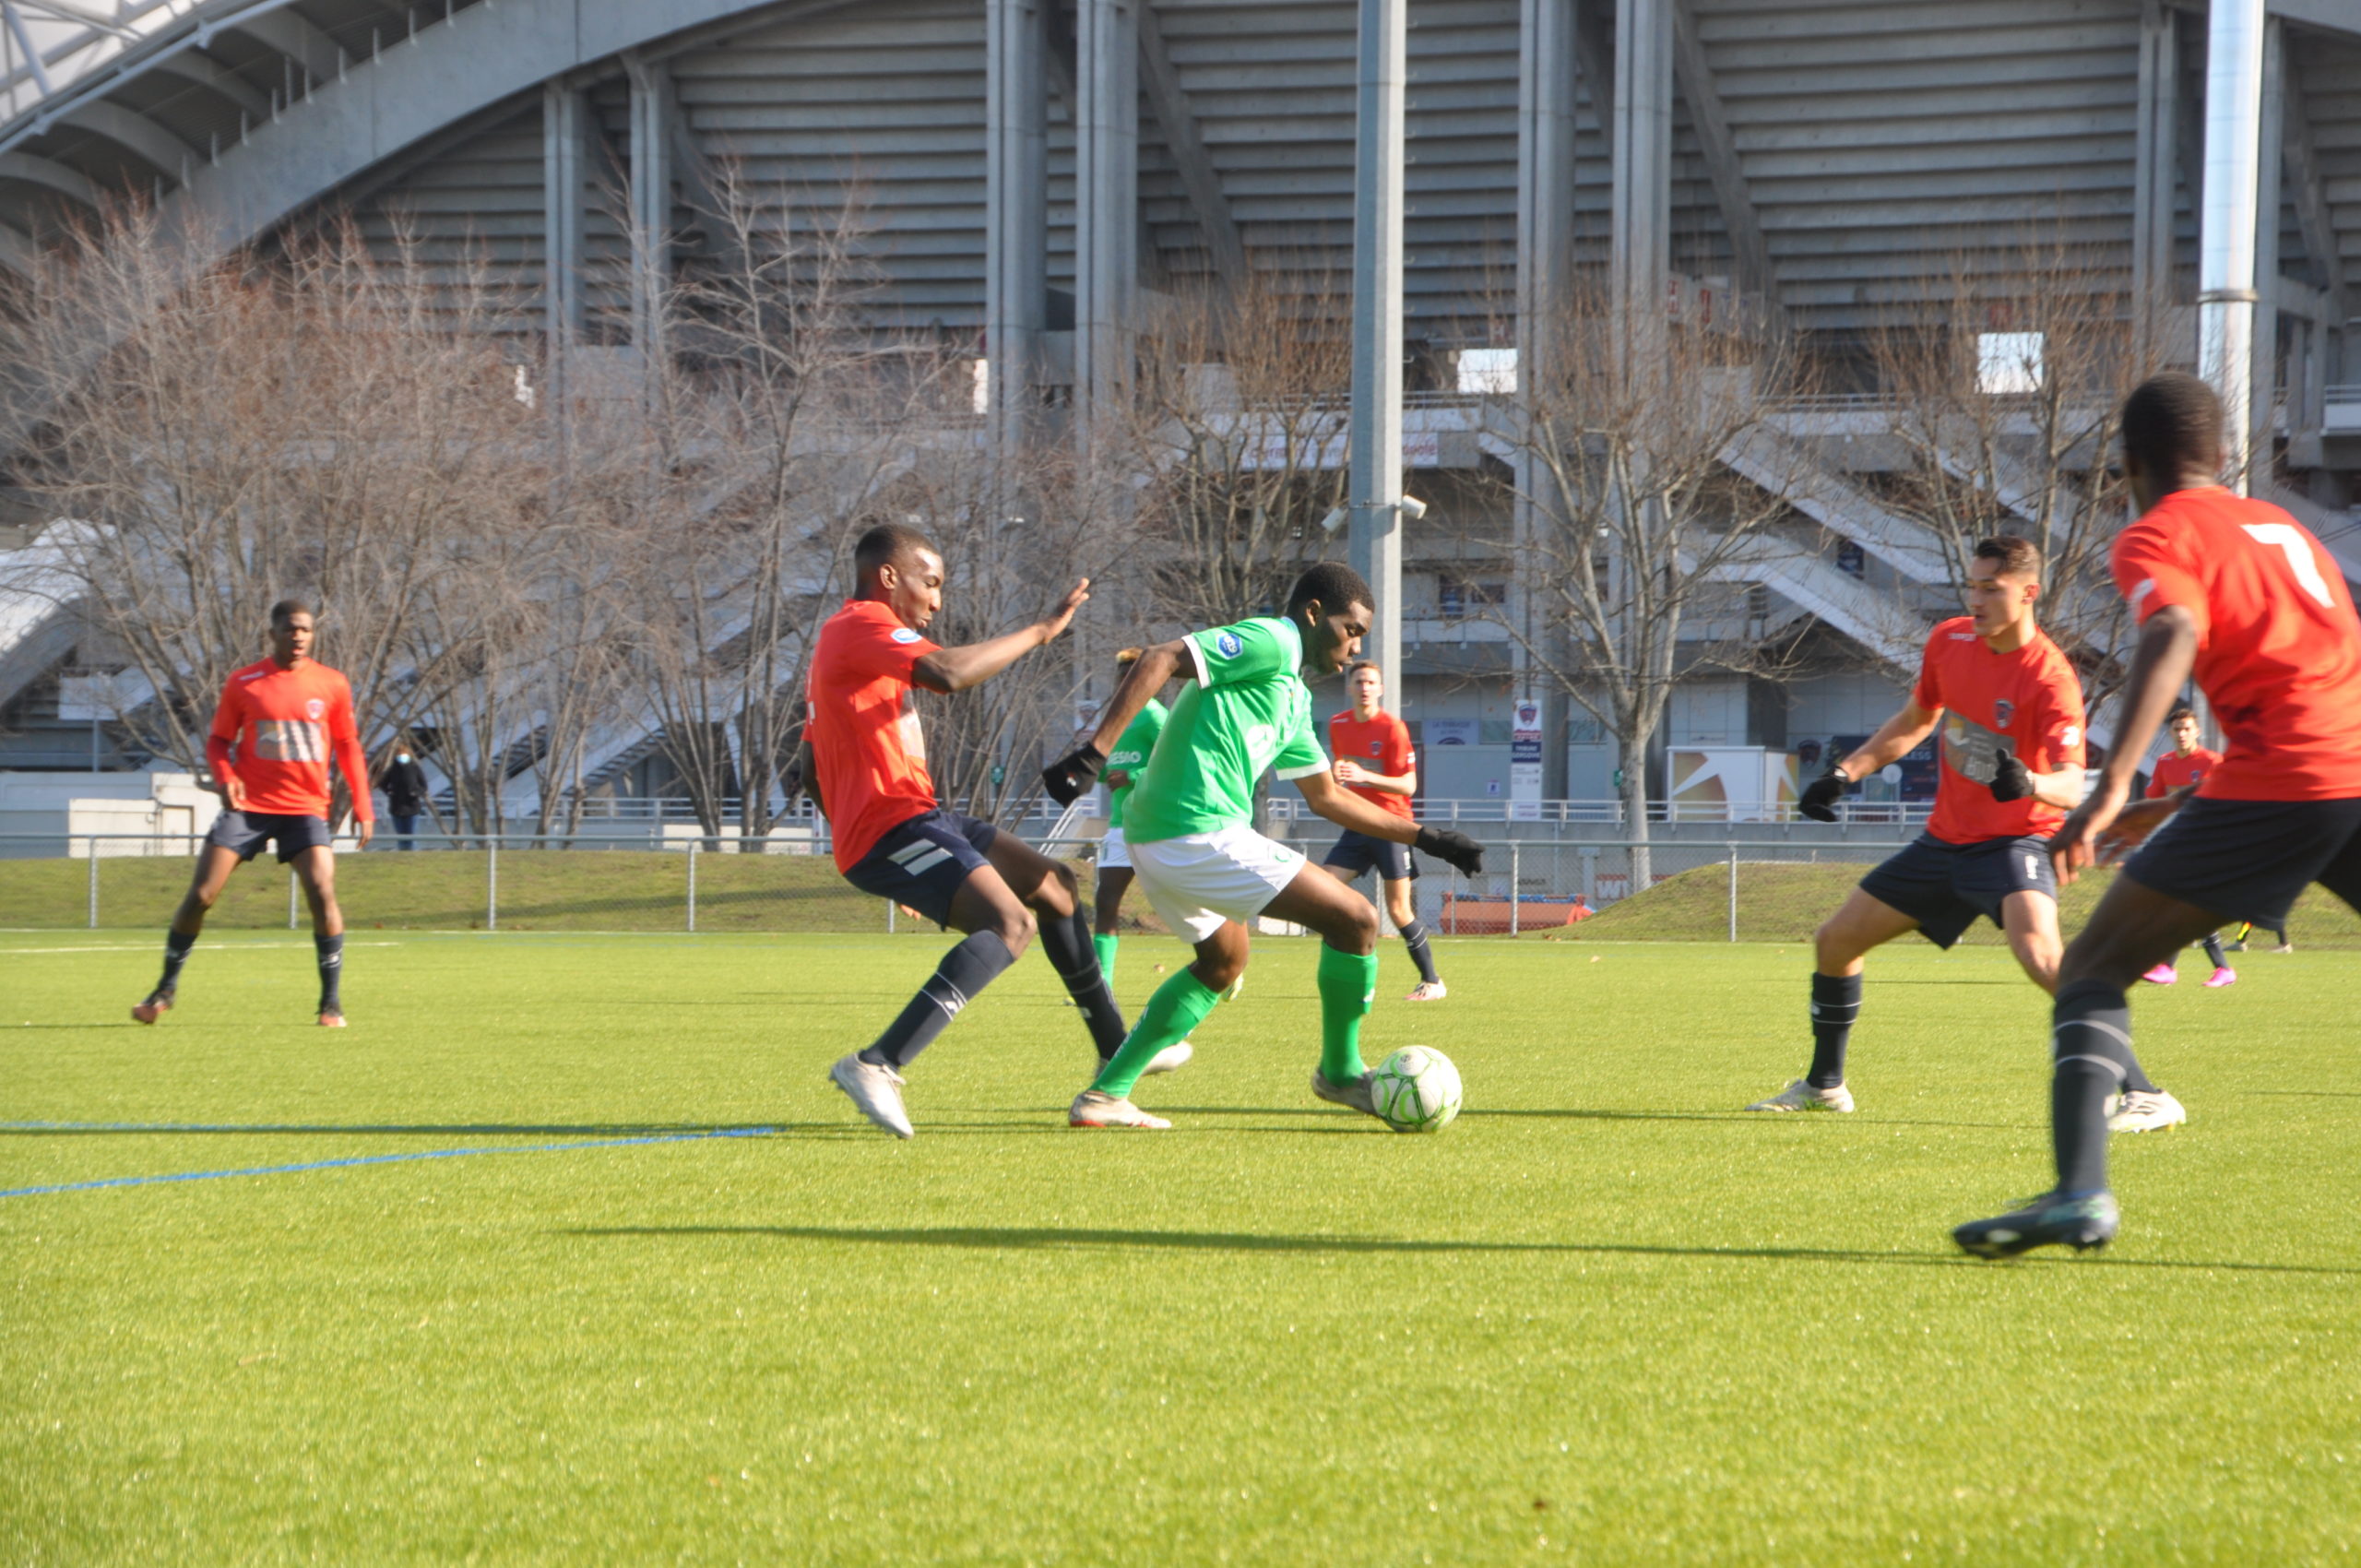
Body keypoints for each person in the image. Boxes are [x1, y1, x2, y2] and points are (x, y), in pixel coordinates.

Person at [1955, 373, 2361, 1256]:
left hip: (2285, 783)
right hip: (2350, 772)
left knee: (2094, 965)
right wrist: (2171, 802)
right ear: (2222, 456)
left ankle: (2078, 1194)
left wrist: (2108, 787)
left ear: (2129, 463)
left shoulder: (2158, 533)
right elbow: (2314, 680)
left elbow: (2173, 627)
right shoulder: (2287, 528)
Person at [1748, 536, 2185, 1134]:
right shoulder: (1949, 640)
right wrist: (1846, 773)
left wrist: (2027, 780)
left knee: (2043, 957)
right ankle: (1825, 1086)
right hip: (1942, 843)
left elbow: (2069, 784)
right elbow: (1914, 721)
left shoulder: (2051, 678)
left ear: (2028, 593)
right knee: (1835, 941)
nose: (1974, 600)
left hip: (2014, 845)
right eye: (1972, 587)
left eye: (1990, 589)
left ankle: (2145, 1092)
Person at [1040, 563, 1485, 1131]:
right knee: (1356, 920)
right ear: (1314, 613)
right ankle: (1341, 1074)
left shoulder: (1293, 698)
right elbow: (1158, 658)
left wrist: (1429, 837)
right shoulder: (1273, 639)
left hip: (1165, 837)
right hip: (1193, 830)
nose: (1354, 649)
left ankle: (1105, 1096)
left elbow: (1326, 798)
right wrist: (1093, 754)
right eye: (1351, 630)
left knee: (1225, 961)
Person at [802, 523, 1174, 1140]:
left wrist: (875, 855)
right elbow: (949, 673)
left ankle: (1115, 1057)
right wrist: (1040, 632)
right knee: (1011, 924)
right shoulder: (861, 625)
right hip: (892, 825)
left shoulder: (850, 645)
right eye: (931, 583)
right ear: (890, 577)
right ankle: (877, 1062)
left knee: (1053, 887)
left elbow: (808, 766)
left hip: (911, 819)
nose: (937, 601)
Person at [132, 600, 374, 1028]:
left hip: (304, 808)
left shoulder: (332, 684)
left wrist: (363, 803)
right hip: (249, 808)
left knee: (322, 890)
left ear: (312, 634)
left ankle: (331, 1004)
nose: (298, 637)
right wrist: (225, 777)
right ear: (273, 633)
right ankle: (165, 989)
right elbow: (217, 742)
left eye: (305, 630)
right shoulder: (244, 682)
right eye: (290, 629)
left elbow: (348, 745)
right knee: (203, 894)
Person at [1322, 660, 1445, 1000]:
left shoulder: (1393, 728)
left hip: (1392, 826)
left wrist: (1365, 776)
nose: (1364, 687)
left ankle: (1432, 982)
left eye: (1371, 682)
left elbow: (1408, 785)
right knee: (1321, 892)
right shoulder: (1338, 724)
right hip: (1358, 823)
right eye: (1359, 681)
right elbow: (1342, 771)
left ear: (1380, 689)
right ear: (1349, 687)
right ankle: (1352, 977)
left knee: (1399, 909)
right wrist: (1339, 778)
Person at [2136, 706, 2235, 987]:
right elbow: (2154, 801)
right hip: (2179, 842)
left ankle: (2173, 967)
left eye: (2187, 729)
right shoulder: (2165, 763)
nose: (2182, 734)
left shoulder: (2211, 761)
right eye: (2177, 729)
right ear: (2170, 732)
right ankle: (2212, 969)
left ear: (2197, 732)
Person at [1090, 651, 1169, 989]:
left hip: (1158, 827)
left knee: (1188, 902)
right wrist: (1084, 770)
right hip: (1121, 827)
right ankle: (1100, 985)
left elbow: (1179, 765)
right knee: (1106, 900)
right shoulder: (1116, 720)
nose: (1125, 685)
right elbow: (1108, 771)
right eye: (1121, 678)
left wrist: (1134, 775)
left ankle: (1226, 963)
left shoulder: (1157, 718)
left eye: (1132, 677)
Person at [382, 747, 430, 851]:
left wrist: (416, 793)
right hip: (397, 807)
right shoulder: (392, 769)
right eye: (399, 754)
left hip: (412, 806)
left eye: (403, 754)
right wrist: (389, 792)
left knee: (411, 836)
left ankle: (412, 853)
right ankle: (402, 852)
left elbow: (424, 786)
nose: (401, 757)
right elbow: (383, 783)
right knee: (401, 836)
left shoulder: (414, 768)